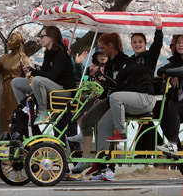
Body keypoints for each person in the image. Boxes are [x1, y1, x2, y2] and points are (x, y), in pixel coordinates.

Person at [77, 14, 164, 180]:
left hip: (145, 99)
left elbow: (158, 45)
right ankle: (105, 168)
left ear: (145, 44)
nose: (137, 44)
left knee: (116, 97)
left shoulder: (148, 57)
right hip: (129, 99)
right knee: (103, 124)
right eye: (134, 42)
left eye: (140, 42)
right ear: (131, 45)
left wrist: (158, 28)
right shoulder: (129, 62)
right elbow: (117, 82)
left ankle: (121, 132)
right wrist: (104, 80)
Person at [70, 32, 129, 174]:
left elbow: (119, 84)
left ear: (110, 46)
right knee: (84, 113)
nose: (102, 52)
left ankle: (104, 164)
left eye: (103, 48)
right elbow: (108, 85)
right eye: (100, 50)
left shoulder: (124, 61)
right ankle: (88, 157)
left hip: (118, 101)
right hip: (108, 98)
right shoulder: (107, 64)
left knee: (103, 124)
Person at [11, 26, 75, 124]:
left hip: (64, 90)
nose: (40, 39)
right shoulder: (48, 53)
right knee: (16, 82)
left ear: (51, 37)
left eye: (42, 36)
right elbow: (45, 72)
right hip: (49, 86)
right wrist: (31, 69)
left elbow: (53, 75)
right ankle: (25, 111)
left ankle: (43, 112)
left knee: (37, 80)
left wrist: (34, 72)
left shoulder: (61, 54)